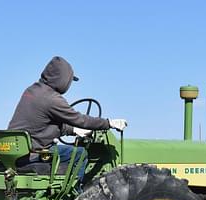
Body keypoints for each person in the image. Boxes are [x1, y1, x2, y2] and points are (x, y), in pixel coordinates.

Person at [8, 56, 127, 185]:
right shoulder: (52, 98)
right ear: (63, 79)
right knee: (80, 154)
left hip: (15, 151)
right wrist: (108, 123)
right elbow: (80, 119)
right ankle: (76, 193)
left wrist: (73, 130)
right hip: (34, 153)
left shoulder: (32, 90)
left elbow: (44, 124)